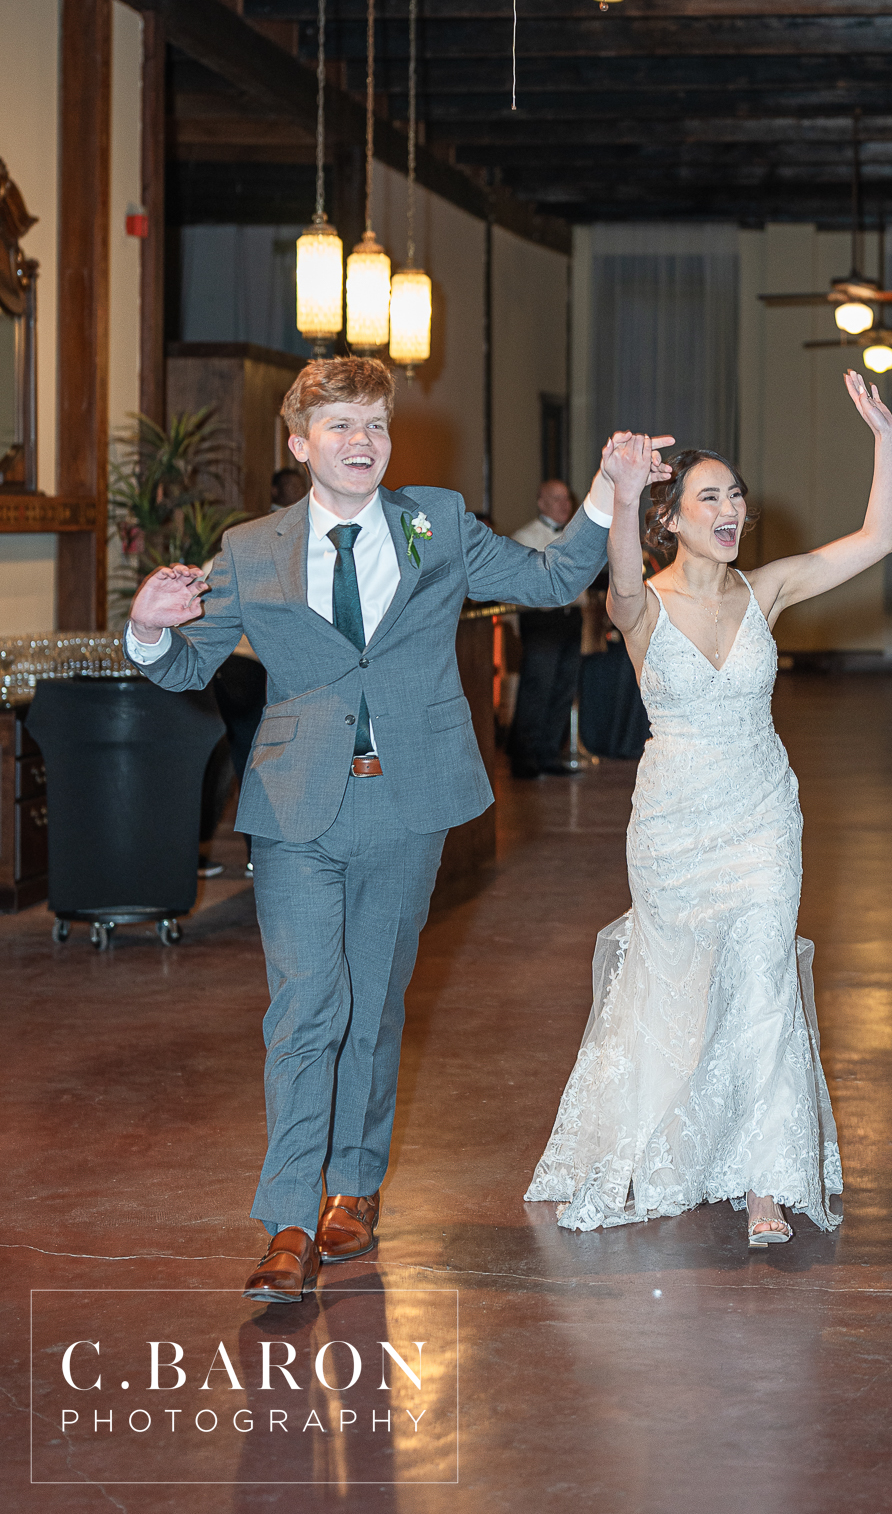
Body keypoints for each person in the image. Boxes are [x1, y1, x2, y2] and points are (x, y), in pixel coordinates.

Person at [123, 355, 671, 1305]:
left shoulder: (437, 523)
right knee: (306, 1007)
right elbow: (182, 668)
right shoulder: (250, 548)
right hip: (296, 807)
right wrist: (148, 626)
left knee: (372, 1004)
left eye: (375, 425)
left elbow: (551, 579)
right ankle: (289, 1220)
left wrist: (607, 489)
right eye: (340, 426)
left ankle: (354, 1185)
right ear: (301, 445)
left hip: (407, 802)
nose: (362, 441)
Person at [526, 367, 892, 1250]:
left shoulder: (765, 591)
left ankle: (766, 1177)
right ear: (672, 518)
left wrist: (884, 438)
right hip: (673, 826)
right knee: (678, 993)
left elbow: (878, 539)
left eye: (736, 496)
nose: (731, 510)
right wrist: (622, 491)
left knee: (765, 980)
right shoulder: (640, 606)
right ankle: (664, 1146)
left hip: (764, 813)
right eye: (710, 497)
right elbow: (619, 573)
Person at [507, 478, 595, 779]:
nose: (564, 504)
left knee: (563, 688)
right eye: (556, 499)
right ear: (541, 502)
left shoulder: (573, 535)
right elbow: (516, 585)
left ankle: (548, 754)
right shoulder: (524, 537)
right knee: (538, 688)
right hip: (542, 620)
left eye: (567, 498)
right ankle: (524, 757)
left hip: (571, 617)